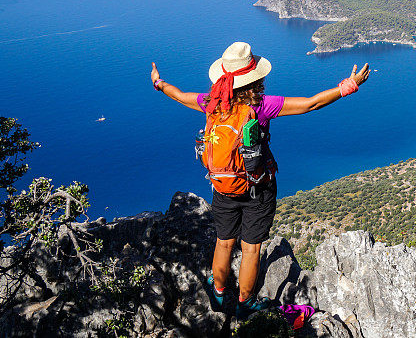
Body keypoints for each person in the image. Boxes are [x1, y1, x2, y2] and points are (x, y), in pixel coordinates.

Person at [150, 41, 369, 318]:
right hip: (259, 188)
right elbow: (311, 104)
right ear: (255, 77)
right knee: (251, 249)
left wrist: (159, 83)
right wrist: (348, 85)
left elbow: (180, 96)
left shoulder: (212, 104)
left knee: (224, 241)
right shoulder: (262, 105)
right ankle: (246, 301)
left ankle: (218, 293)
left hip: (224, 187)